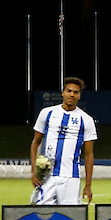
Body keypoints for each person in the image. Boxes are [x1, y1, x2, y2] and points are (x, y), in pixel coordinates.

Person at [30, 76, 97, 204]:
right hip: (47, 177)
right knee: (42, 214)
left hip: (71, 178)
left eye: (75, 92)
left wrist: (88, 185)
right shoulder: (47, 113)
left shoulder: (86, 119)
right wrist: (34, 172)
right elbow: (35, 143)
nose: (71, 94)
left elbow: (88, 154)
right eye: (69, 91)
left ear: (79, 96)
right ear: (63, 93)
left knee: (71, 217)